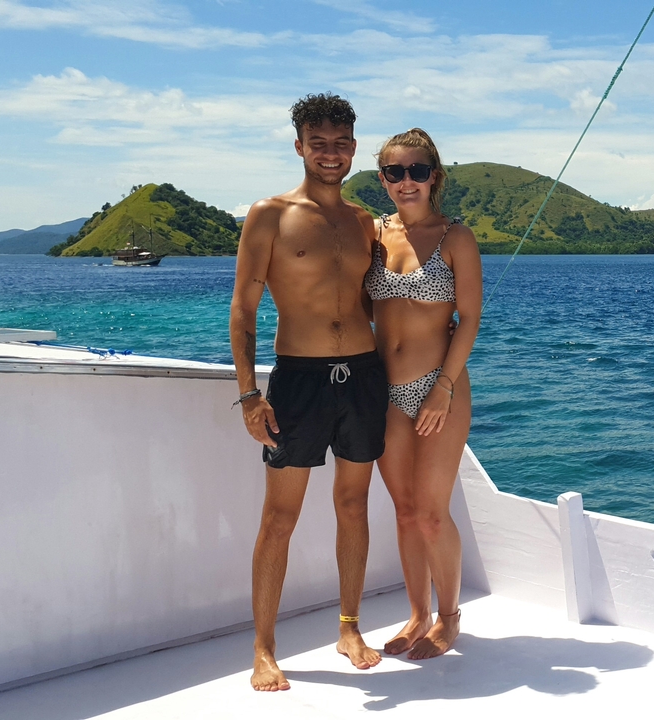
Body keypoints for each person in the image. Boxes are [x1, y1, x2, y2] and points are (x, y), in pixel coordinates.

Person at [229, 93, 386, 692]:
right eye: (318, 143)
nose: (331, 153)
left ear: (352, 148)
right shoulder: (269, 215)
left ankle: (348, 627)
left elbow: (374, 302)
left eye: (341, 143)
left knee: (353, 505)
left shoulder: (363, 220)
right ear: (299, 146)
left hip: (363, 376)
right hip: (298, 379)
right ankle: (264, 648)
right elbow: (243, 311)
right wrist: (248, 394)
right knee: (280, 516)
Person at [366, 128, 482, 660]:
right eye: (395, 172)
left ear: (434, 176)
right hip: (383, 391)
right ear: (383, 178)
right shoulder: (372, 234)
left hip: (440, 388)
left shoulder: (456, 237)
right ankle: (416, 613)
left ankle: (449, 616)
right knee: (406, 511)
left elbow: (470, 320)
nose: (406, 181)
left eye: (417, 170)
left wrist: (443, 387)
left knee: (433, 513)